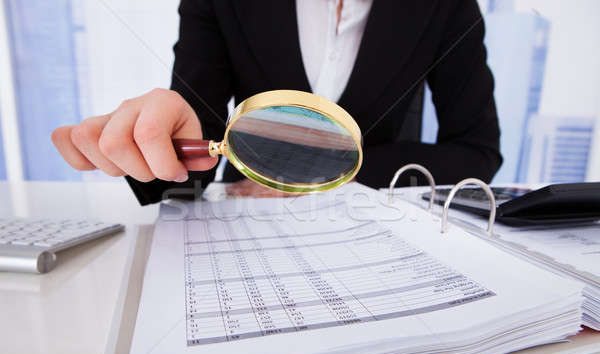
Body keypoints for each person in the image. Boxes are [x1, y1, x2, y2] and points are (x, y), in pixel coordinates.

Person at [51, 0, 502, 205]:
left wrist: (332, 171)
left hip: (374, 218)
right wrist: (147, 146)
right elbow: (187, 178)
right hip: (246, 216)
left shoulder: (448, 7)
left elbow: (477, 151)